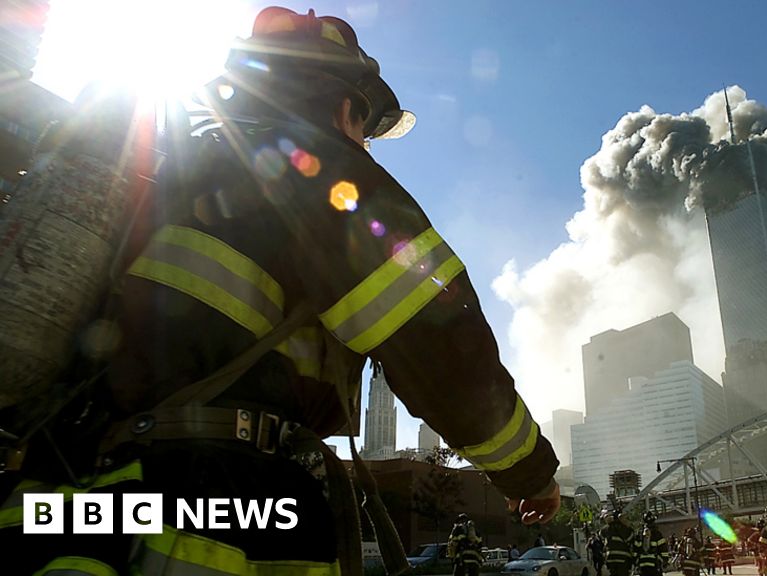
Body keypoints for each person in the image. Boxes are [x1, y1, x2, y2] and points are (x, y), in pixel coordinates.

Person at [0, 6, 561, 574]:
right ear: (347, 105)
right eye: (366, 128)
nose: (366, 144)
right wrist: (530, 473)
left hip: (64, 497)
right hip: (217, 502)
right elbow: (440, 343)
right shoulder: (321, 173)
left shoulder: (172, 170)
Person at [632, 511, 669, 576]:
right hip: (654, 564)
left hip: (642, 565)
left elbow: (635, 549)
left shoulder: (639, 534)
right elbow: (663, 548)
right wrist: (665, 561)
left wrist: (634, 561)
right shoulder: (657, 534)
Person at [601, 509, 634, 576]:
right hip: (623, 559)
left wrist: (607, 522)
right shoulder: (625, 529)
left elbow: (601, 535)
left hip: (610, 558)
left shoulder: (607, 528)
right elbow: (631, 538)